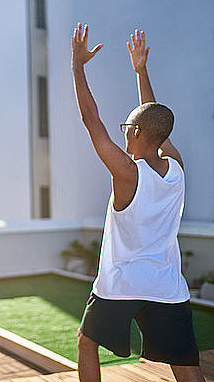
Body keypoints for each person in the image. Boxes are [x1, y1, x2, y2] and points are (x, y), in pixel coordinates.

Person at [71, 24, 205, 382]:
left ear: (134, 133)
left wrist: (77, 66)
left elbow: (90, 120)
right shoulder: (175, 168)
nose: (124, 131)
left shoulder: (127, 173)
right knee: (187, 366)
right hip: (167, 286)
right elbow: (155, 120)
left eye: (126, 127)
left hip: (122, 283)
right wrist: (141, 70)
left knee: (86, 343)